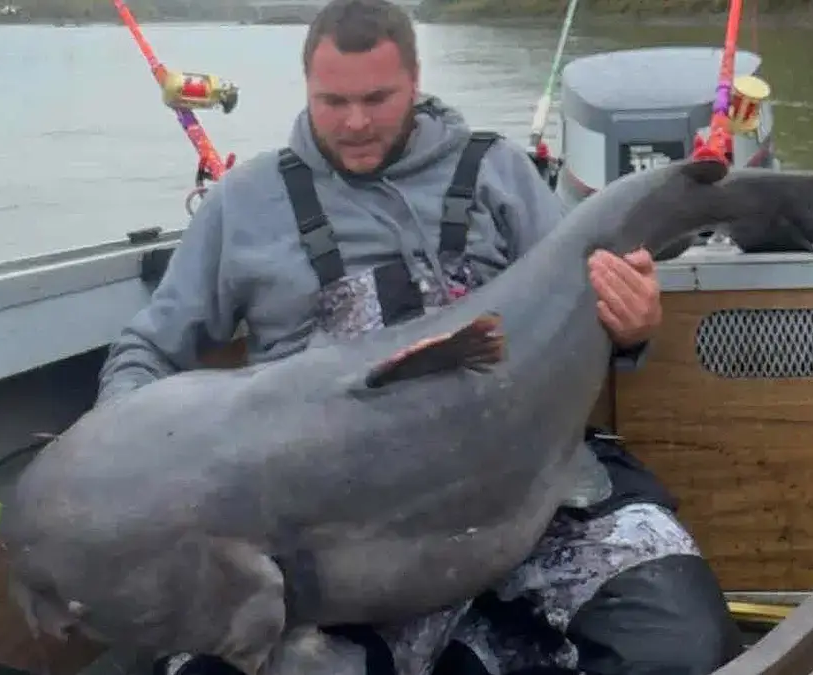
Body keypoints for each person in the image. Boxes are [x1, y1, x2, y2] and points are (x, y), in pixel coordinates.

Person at [97, 1, 742, 674]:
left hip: (529, 489)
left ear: (415, 80)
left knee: (681, 643)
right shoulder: (242, 205)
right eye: (332, 101)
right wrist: (120, 455)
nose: (354, 121)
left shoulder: (501, 174)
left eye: (377, 98)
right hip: (327, 546)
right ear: (306, 90)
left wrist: (632, 327)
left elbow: (585, 313)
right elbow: (147, 349)